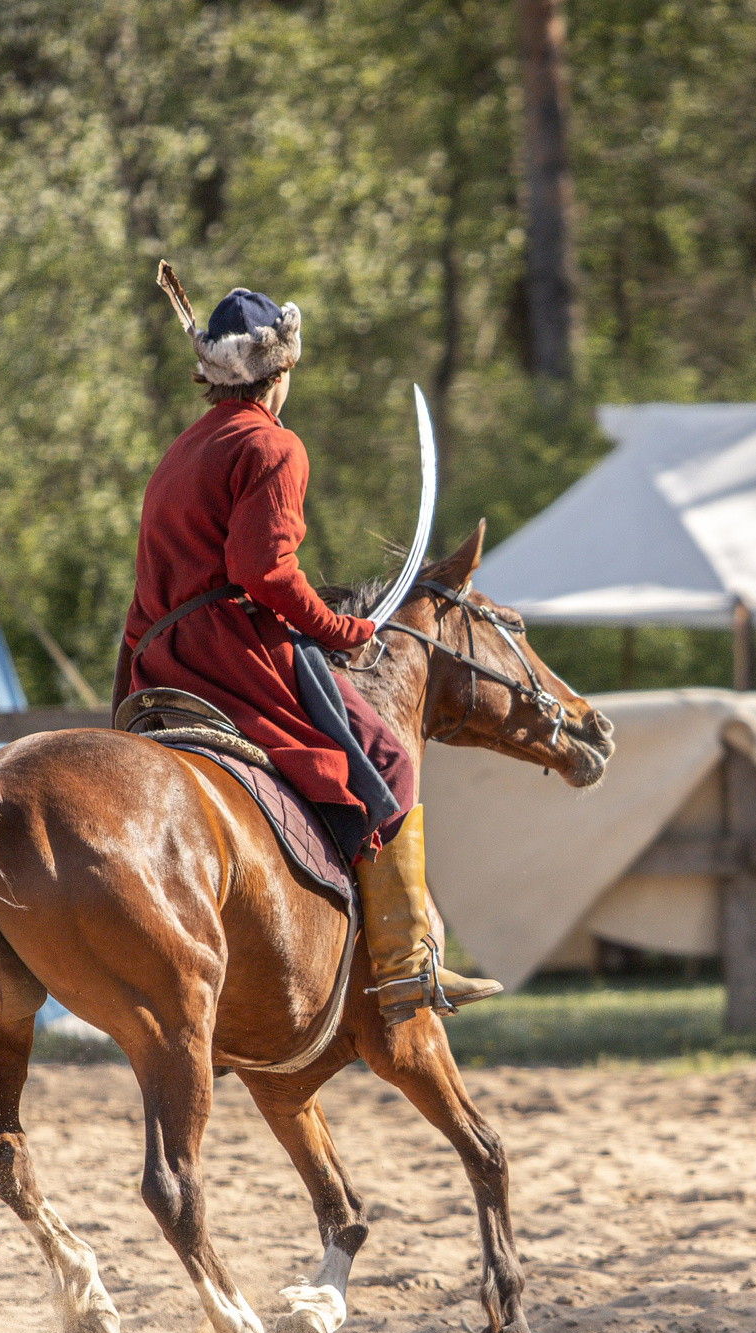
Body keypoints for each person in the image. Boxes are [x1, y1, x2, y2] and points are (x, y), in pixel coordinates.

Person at [118, 280, 500, 1017]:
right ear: (280, 371)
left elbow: (154, 588)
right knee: (385, 758)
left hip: (161, 657)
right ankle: (403, 965)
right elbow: (263, 573)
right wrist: (340, 628)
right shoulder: (272, 445)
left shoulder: (180, 451)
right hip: (234, 653)